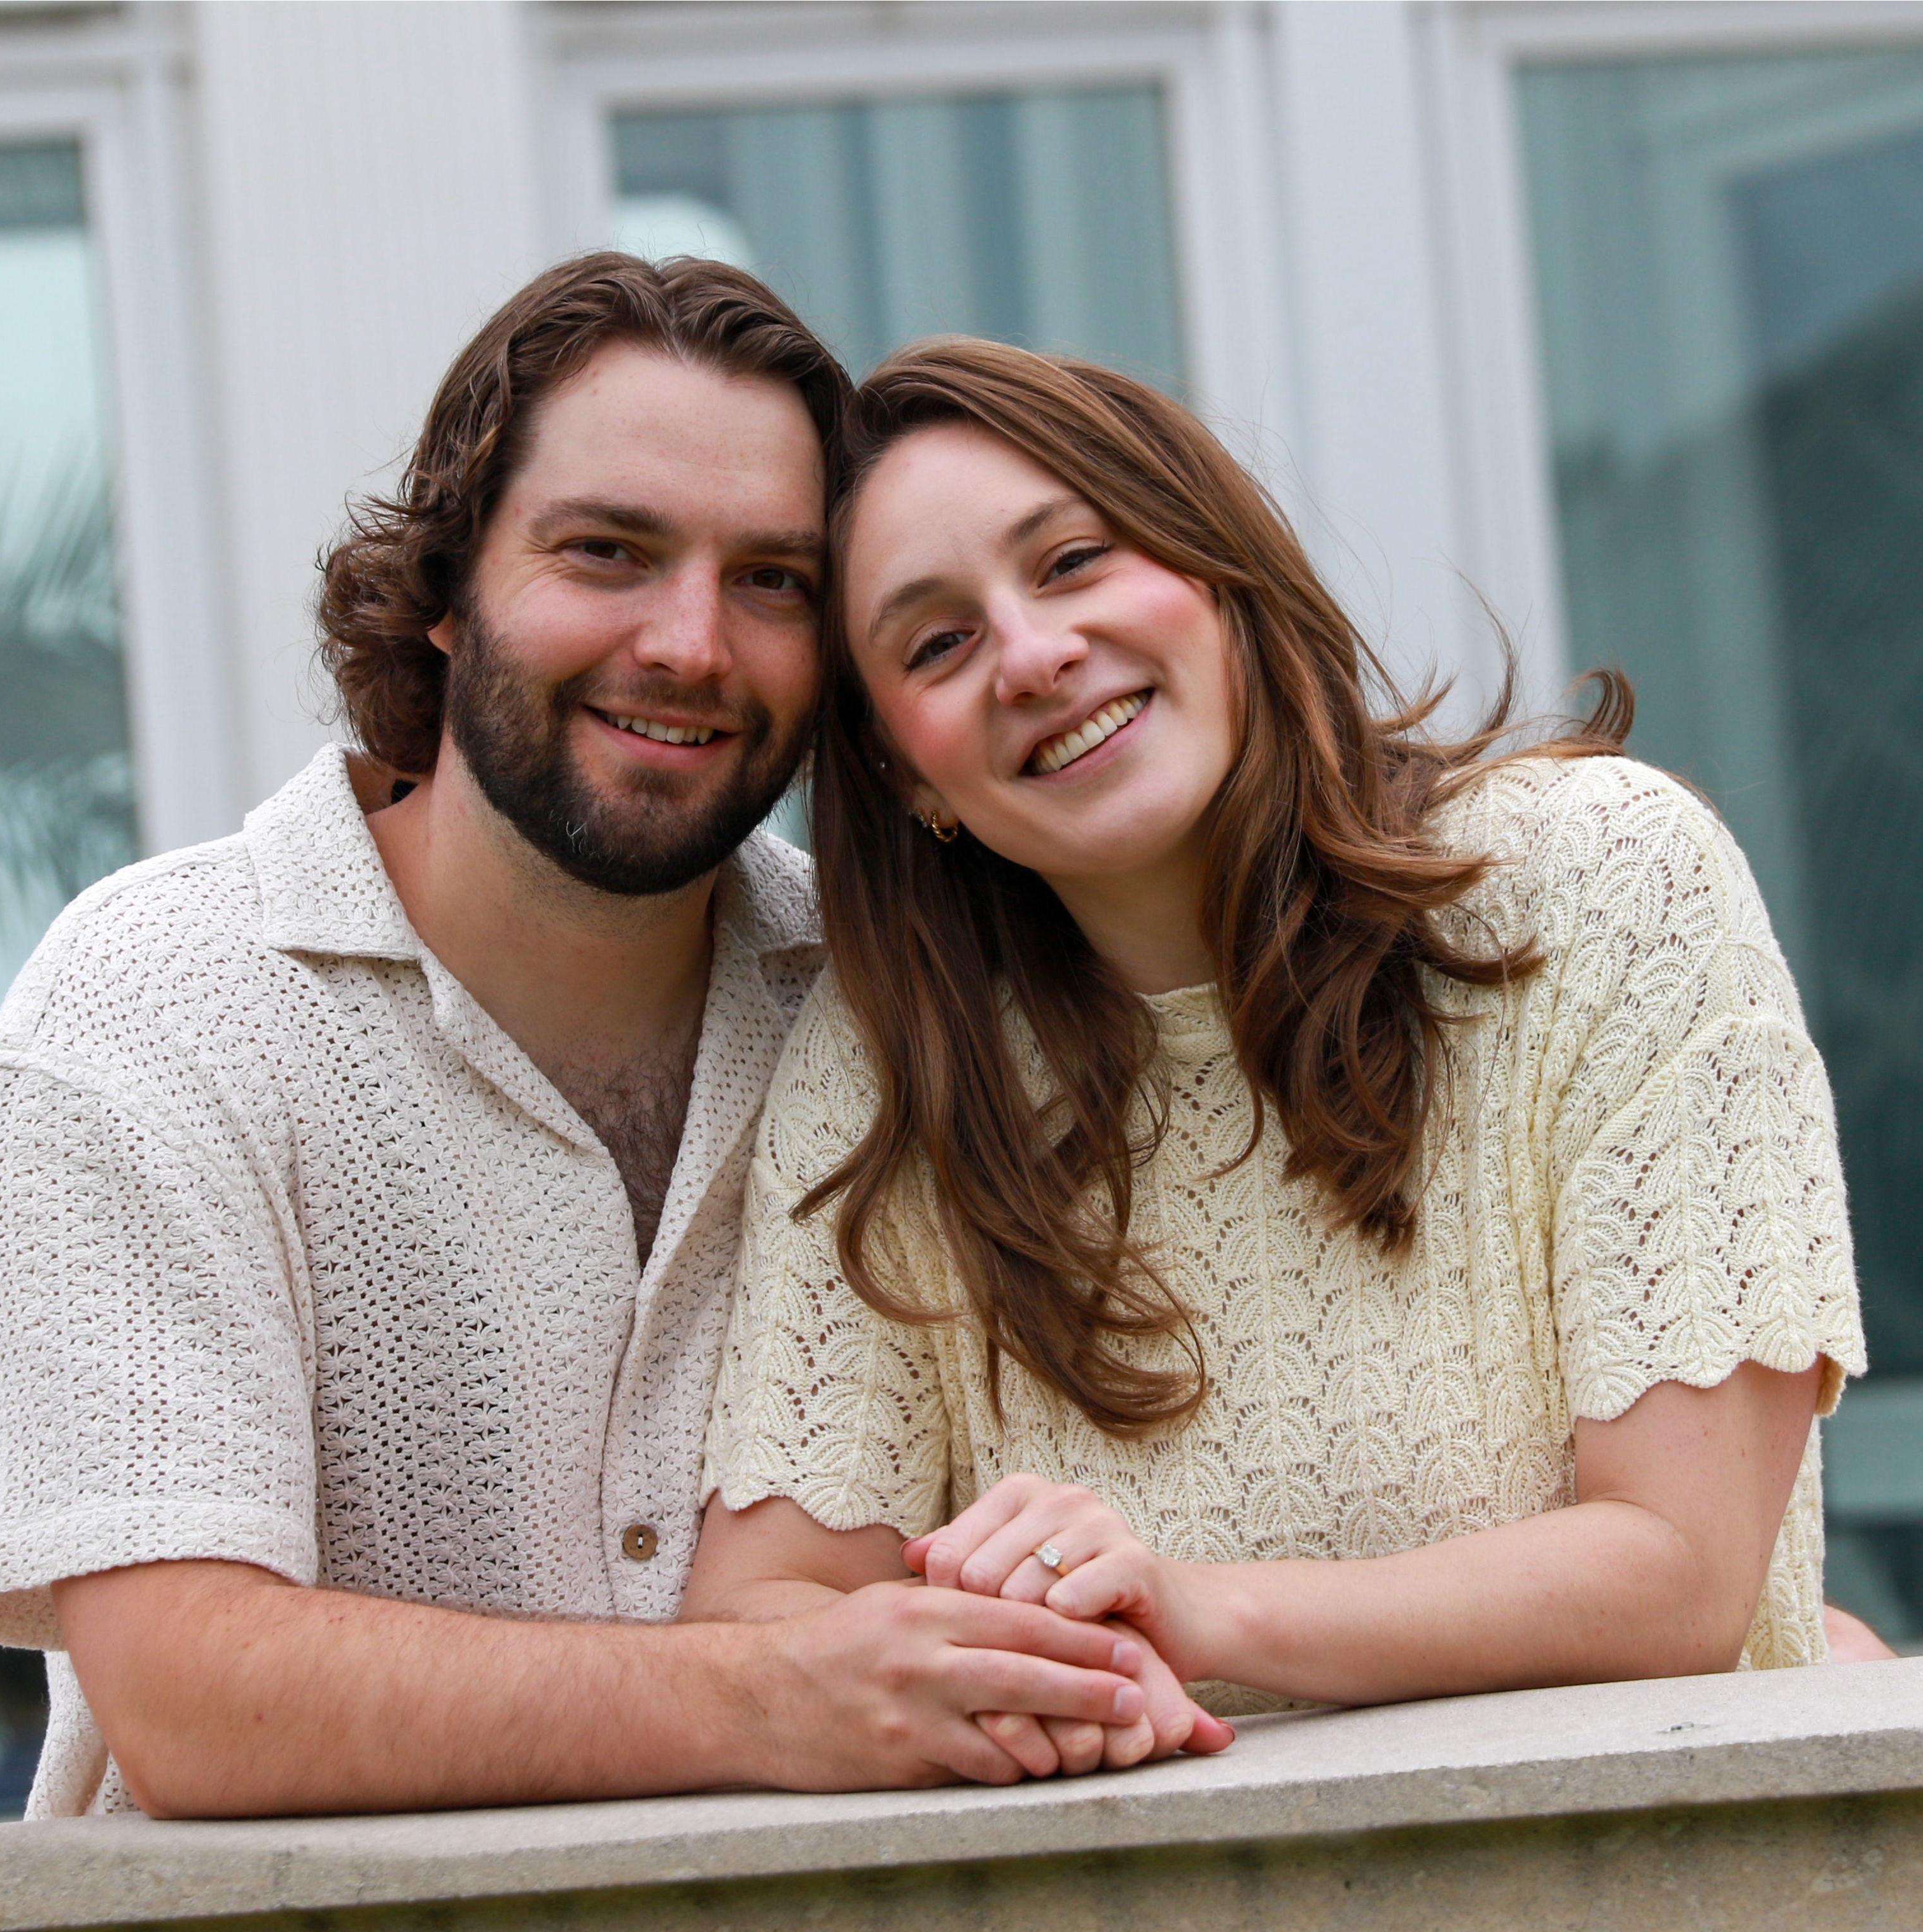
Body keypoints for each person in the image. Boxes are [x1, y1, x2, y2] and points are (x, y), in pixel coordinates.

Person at [0, 262, 1207, 1819]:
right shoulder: (149, 1011)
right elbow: (194, 1695)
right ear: (446, 585)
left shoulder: (900, 1003)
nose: (690, 643)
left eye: (772, 581)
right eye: (608, 552)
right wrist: (772, 1691)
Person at [688, 337, 1882, 1753]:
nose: (1033, 654)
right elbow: (760, 1616)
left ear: (1214, 572)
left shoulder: (1607, 882)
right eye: (936, 644)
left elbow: (1678, 1575)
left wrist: (1192, 1610)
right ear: (902, 771)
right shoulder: (892, 1065)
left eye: (1071, 561)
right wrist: (1015, 1656)